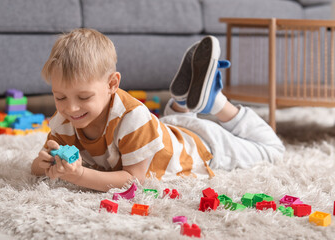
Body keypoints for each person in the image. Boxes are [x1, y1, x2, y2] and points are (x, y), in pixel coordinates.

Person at [31, 28, 285, 192]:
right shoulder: (63, 119)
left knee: (273, 150)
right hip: (168, 130)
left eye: (83, 97)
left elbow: (133, 180)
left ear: (112, 84)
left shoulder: (132, 117)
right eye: (60, 96)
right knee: (168, 127)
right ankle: (182, 102)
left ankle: (215, 102)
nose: (70, 108)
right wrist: (44, 164)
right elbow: (36, 166)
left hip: (203, 146)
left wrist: (79, 176)